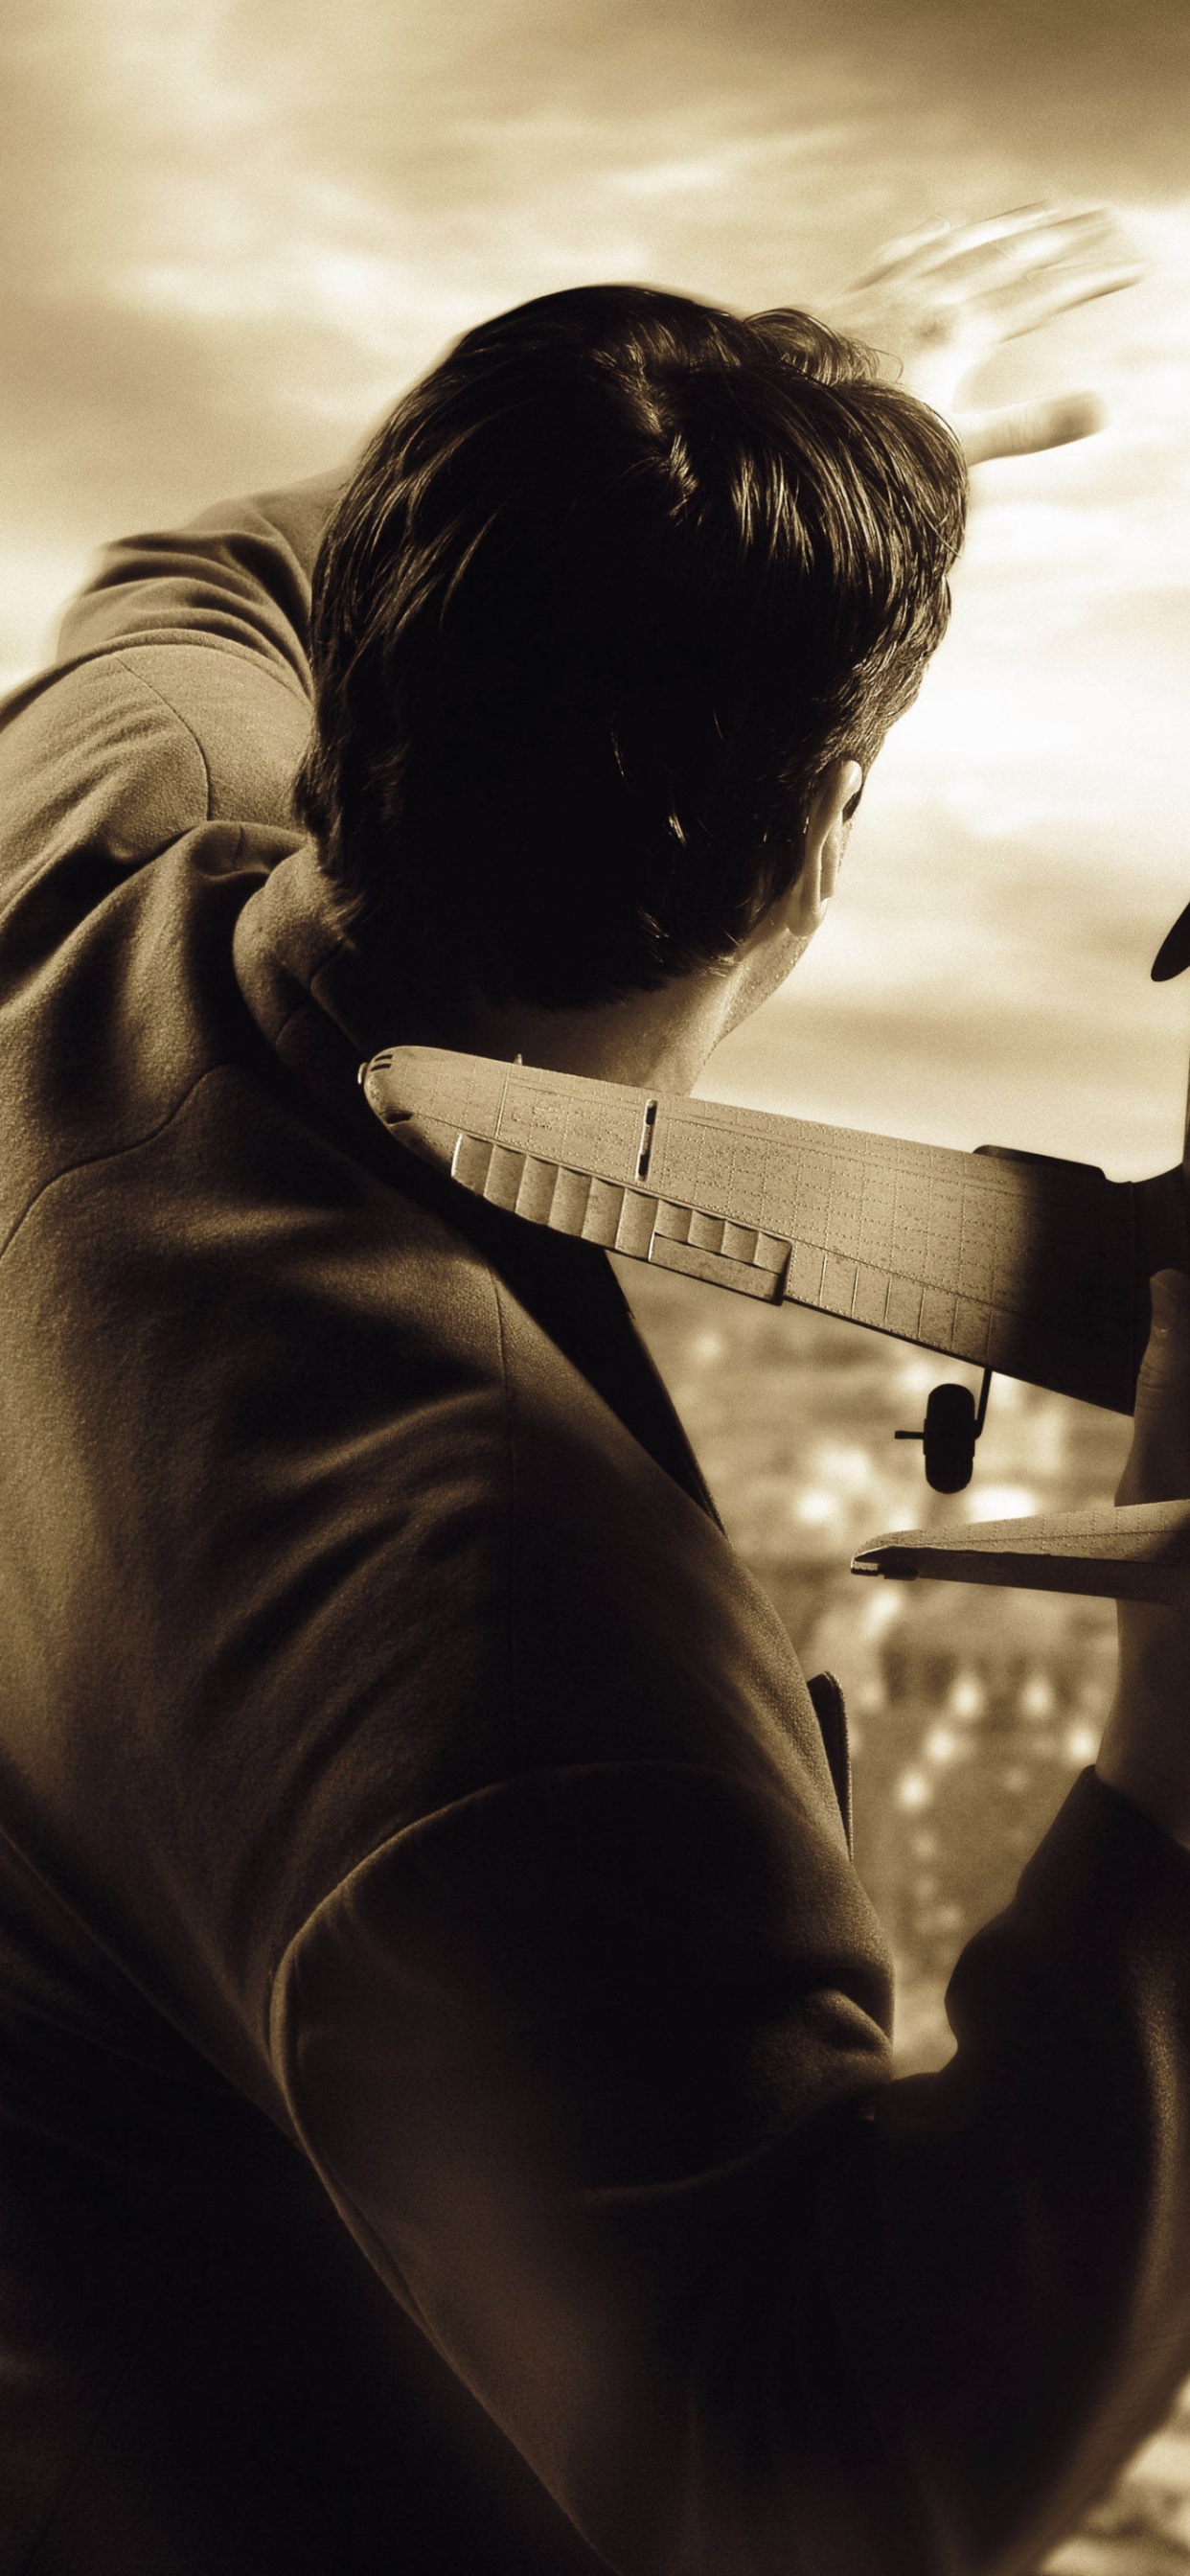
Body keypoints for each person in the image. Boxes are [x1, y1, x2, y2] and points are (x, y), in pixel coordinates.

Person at [0, 217, 1187, 2576]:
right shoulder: (485, 1622)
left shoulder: (98, 819)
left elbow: (208, 556)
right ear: (824, 828)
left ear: (367, 685)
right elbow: (829, 2494)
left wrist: (827, 423)